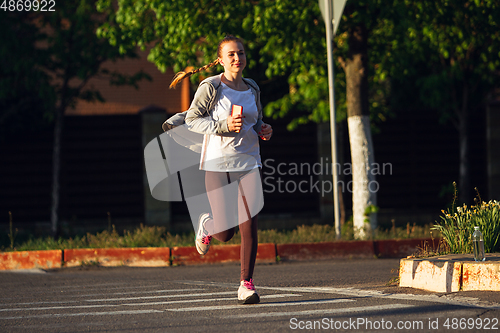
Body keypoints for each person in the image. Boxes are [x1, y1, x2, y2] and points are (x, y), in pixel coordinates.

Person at [168, 35, 273, 305]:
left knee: (250, 224)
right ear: (221, 59)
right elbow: (192, 120)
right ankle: (207, 224)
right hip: (217, 163)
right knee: (226, 232)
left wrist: (263, 128)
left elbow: (256, 119)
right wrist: (223, 126)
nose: (237, 58)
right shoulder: (211, 86)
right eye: (231, 54)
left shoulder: (252, 88)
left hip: (249, 162)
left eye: (240, 53)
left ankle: (245, 285)